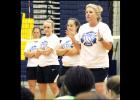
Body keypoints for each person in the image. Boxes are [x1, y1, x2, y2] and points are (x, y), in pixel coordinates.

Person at [66, 3, 113, 95]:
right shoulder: (83, 28)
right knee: (85, 92)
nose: (87, 14)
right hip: (84, 65)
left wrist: (101, 39)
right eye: (86, 12)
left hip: (99, 65)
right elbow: (78, 48)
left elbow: (109, 47)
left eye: (90, 12)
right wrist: (72, 38)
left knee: (99, 92)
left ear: (97, 15)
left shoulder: (103, 27)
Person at [36, 19, 60, 99]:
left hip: (52, 66)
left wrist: (40, 50)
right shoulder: (42, 38)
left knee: (53, 87)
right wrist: (42, 51)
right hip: (41, 66)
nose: (46, 29)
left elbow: (47, 52)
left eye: (48, 27)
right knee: (41, 88)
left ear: (52, 28)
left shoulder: (54, 38)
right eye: (45, 27)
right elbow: (37, 54)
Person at [24, 27, 41, 95]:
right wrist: (35, 53)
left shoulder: (42, 42)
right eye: (34, 32)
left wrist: (31, 54)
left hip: (40, 67)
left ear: (40, 33)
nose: (36, 34)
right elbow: (26, 54)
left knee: (41, 87)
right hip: (30, 67)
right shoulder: (29, 42)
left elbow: (40, 54)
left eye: (37, 32)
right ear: (32, 33)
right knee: (31, 86)